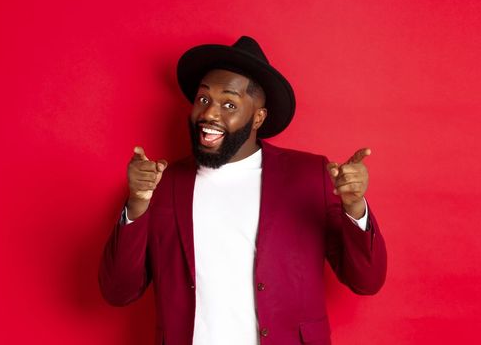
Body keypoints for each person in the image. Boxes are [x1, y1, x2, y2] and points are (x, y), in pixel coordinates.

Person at [99, 36, 387, 345]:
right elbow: (118, 292)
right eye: (203, 99)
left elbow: (366, 281)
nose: (209, 114)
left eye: (229, 104)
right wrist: (137, 203)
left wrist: (355, 207)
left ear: (258, 117)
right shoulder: (162, 182)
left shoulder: (309, 175)